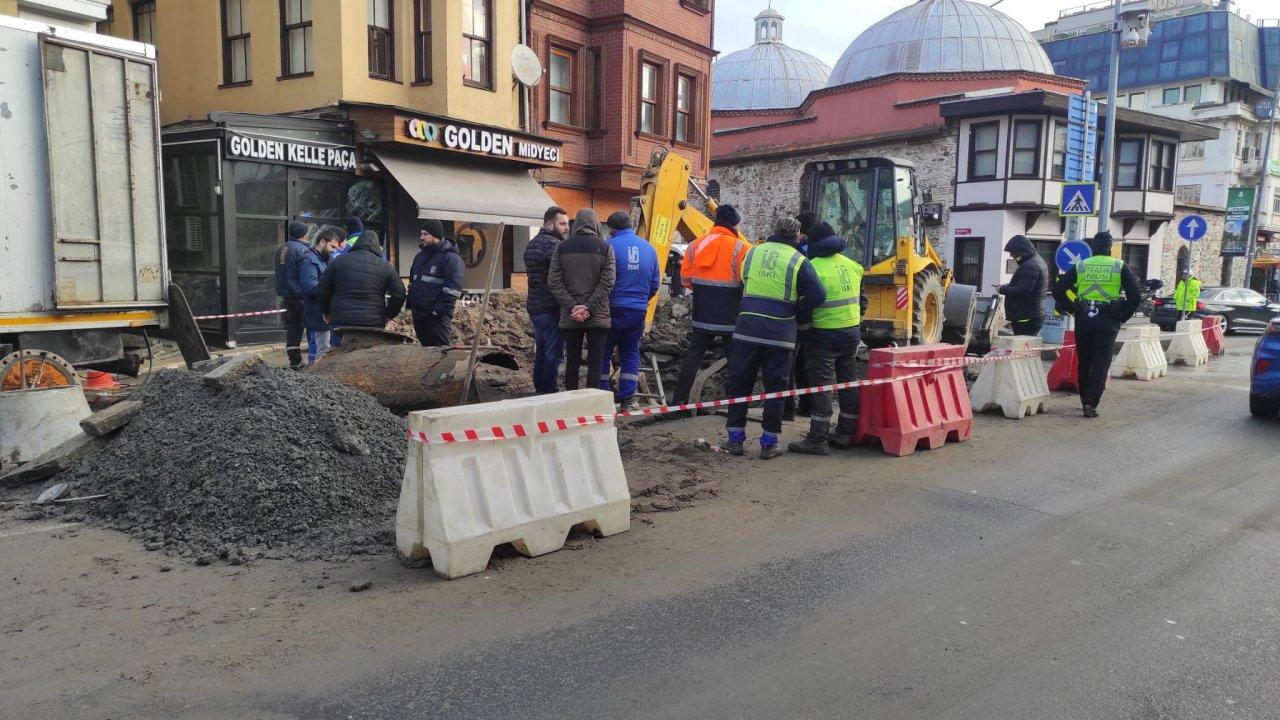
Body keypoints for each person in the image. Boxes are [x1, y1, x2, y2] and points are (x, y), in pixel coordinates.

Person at [722, 216, 826, 459]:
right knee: (775, 390)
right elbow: (818, 295)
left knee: (739, 384)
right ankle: (769, 444)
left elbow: (741, 282)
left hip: (747, 329)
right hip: (780, 334)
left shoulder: (752, 253)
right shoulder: (798, 260)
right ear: (797, 235)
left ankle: (735, 439)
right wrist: (799, 307)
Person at [788, 221, 866, 455]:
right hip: (851, 334)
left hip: (823, 336)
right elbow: (862, 303)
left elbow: (805, 303)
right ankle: (845, 432)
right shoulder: (854, 266)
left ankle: (817, 440)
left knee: (822, 388)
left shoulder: (813, 267)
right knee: (848, 382)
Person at [1052, 232, 1141, 419]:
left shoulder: (1082, 265)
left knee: (1084, 361)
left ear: (1093, 247)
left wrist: (1073, 309)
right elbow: (1135, 295)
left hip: (1084, 318)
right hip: (1109, 319)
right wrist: (1122, 317)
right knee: (1102, 363)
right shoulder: (1119, 265)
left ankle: (1084, 398)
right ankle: (1092, 404)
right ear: (1110, 247)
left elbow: (1058, 289)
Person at [673, 204, 749, 404]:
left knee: (694, 354)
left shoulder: (695, 245)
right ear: (735, 224)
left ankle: (678, 401)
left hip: (702, 310)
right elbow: (747, 282)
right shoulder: (742, 247)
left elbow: (685, 280)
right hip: (731, 313)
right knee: (734, 357)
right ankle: (736, 401)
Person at [549, 209, 615, 391]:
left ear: (575, 224)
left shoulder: (561, 248)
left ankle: (571, 400)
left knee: (572, 360)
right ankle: (590, 403)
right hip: (598, 314)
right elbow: (608, 282)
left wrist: (573, 307)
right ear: (595, 224)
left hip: (570, 316)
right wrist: (588, 307)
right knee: (595, 361)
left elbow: (554, 282)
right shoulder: (605, 247)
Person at [600, 211, 660, 410]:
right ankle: (628, 400)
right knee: (630, 353)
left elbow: (602, 280)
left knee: (603, 352)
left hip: (612, 308)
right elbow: (654, 284)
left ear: (612, 229)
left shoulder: (609, 247)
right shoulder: (650, 249)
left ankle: (601, 398)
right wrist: (642, 300)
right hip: (637, 311)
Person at [318, 229, 406, 330]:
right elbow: (400, 293)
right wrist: (388, 315)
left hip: (341, 320)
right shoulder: (385, 266)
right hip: (373, 322)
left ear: (358, 243)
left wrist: (326, 311)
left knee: (340, 345)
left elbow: (323, 288)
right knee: (371, 346)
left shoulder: (338, 261)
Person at [525, 206, 570, 393]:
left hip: (535, 307)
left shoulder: (532, 243)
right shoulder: (554, 246)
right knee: (554, 353)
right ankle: (549, 391)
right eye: (562, 224)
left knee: (542, 352)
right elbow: (564, 274)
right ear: (549, 224)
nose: (566, 228)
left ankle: (539, 388)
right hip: (551, 307)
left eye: (567, 224)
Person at [407, 219, 465, 346]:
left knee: (442, 353)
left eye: (425, 234)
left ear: (436, 235)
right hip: (419, 316)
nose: (421, 237)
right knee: (427, 354)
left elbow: (452, 290)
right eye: (421, 234)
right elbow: (413, 283)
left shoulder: (451, 258)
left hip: (437, 318)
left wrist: (437, 312)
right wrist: (411, 304)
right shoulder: (419, 257)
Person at [300, 226, 342, 364]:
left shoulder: (326, 259)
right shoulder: (309, 260)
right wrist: (330, 290)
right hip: (317, 312)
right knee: (321, 349)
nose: (334, 251)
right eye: (332, 246)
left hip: (324, 311)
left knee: (324, 348)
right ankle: (315, 377)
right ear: (322, 242)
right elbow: (309, 287)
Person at [274, 220, 310, 369]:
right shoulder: (302, 250)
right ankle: (315, 358)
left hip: (286, 294)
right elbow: (306, 273)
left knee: (293, 326)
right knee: (311, 325)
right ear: (304, 234)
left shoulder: (281, 249)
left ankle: (294, 359)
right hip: (300, 294)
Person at [998, 234, 1049, 336]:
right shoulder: (1035, 261)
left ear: (1020, 251)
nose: (1011, 255)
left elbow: (1022, 291)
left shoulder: (1030, 266)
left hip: (1025, 316)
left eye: (1012, 252)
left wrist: (1002, 289)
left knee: (1022, 348)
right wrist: (1007, 286)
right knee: (1027, 347)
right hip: (1030, 313)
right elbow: (1025, 285)